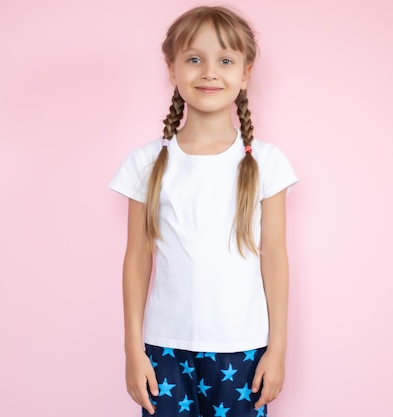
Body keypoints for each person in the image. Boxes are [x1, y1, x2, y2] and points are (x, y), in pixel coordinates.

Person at [109, 6, 298, 416]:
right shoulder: (145, 163)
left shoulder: (268, 162)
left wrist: (278, 349)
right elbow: (137, 257)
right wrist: (132, 350)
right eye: (194, 59)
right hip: (164, 351)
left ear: (245, 73)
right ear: (172, 69)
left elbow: (276, 258)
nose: (209, 72)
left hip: (243, 351)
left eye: (225, 61)